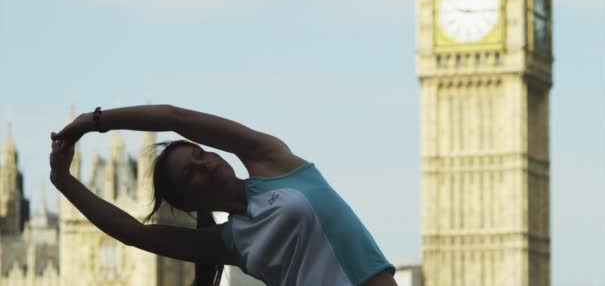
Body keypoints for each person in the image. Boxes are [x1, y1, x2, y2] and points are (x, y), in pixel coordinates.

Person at [49, 104, 398, 286]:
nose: (205, 164)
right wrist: (64, 182)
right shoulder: (230, 241)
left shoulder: (271, 160)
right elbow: (133, 233)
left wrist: (92, 121)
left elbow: (176, 118)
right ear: (188, 204)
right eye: (190, 172)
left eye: (200, 154)